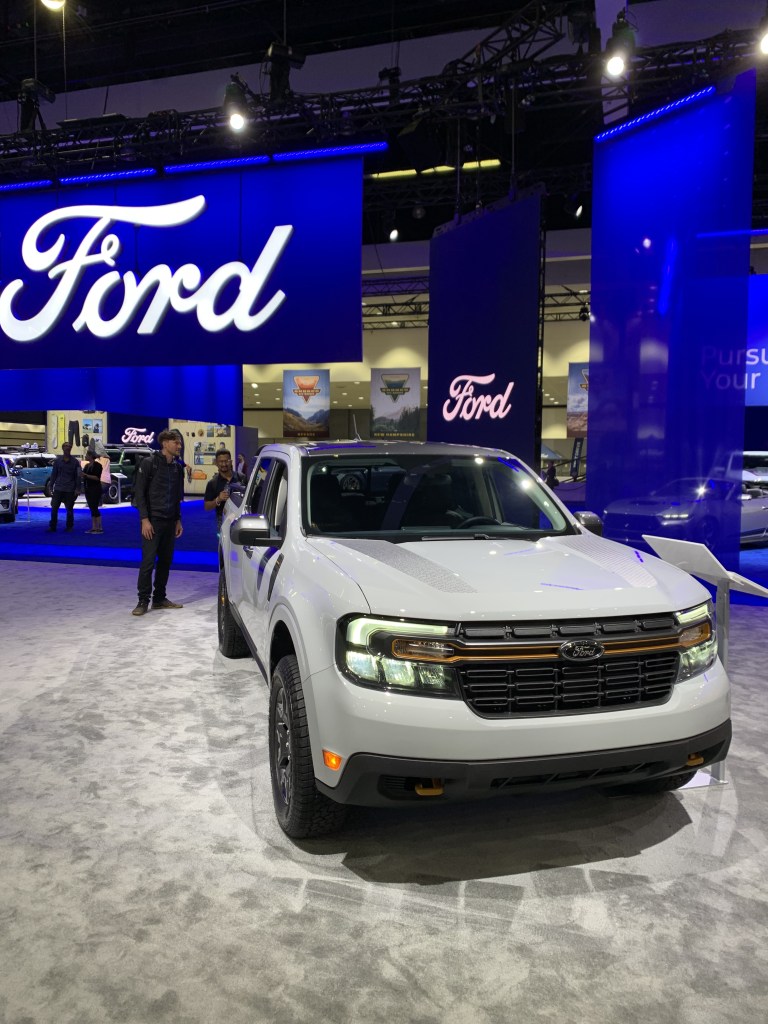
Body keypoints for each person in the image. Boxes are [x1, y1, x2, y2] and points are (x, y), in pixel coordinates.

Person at [131, 429, 185, 616]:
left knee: (165, 562)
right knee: (148, 562)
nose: (179, 446)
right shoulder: (149, 463)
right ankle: (143, 600)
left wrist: (178, 520)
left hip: (170, 522)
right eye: (176, 442)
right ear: (165, 443)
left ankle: (159, 598)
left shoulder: (177, 468)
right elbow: (139, 493)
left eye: (179, 442)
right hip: (152, 521)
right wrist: (144, 520)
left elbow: (177, 496)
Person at [204, 449, 245, 532]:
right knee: (223, 540)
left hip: (241, 518)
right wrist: (218, 499)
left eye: (226, 461)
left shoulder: (242, 478)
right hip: (222, 520)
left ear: (231, 462)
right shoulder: (212, 483)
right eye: (221, 462)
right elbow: (207, 506)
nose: (224, 464)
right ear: (216, 463)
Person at [48, 442, 83, 532]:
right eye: (66, 446)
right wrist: (51, 486)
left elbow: (78, 476)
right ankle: (52, 526)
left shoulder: (75, 462)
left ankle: (69, 526)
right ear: (63, 448)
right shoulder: (57, 461)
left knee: (69, 509)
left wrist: (78, 488)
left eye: (69, 446)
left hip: (70, 489)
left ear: (71, 448)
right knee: (54, 508)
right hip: (58, 489)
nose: (68, 448)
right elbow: (54, 474)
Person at [81, 449, 104, 534]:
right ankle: (94, 527)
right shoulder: (87, 466)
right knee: (91, 508)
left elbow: (97, 478)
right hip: (88, 488)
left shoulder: (98, 465)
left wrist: (86, 475)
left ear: (91, 456)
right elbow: (83, 475)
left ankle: (99, 528)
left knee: (94, 507)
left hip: (95, 489)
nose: (85, 456)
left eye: (87, 455)